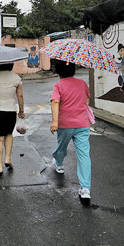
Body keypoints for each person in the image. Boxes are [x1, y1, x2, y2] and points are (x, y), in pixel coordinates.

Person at [49, 60, 92, 200]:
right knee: (84, 155)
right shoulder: (82, 83)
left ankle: (59, 164)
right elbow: (87, 100)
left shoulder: (58, 85)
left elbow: (55, 102)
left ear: (58, 72)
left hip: (65, 124)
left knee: (61, 147)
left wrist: (55, 122)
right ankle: (85, 189)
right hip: (83, 124)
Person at [0, 63, 25, 175]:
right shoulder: (16, 77)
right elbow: (20, 96)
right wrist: (21, 111)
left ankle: (0, 166)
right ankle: (7, 159)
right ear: (11, 65)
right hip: (10, 111)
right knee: (8, 134)